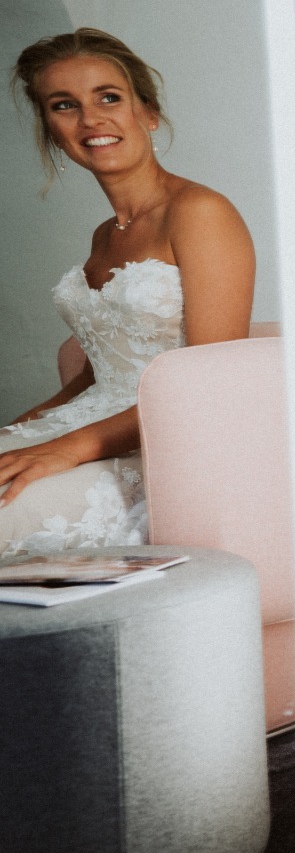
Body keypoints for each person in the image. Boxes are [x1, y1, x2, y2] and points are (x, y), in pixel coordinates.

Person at [0, 28, 254, 558]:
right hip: (91, 424)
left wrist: (66, 449)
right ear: (51, 130)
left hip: (161, 446)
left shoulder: (200, 213)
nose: (90, 119)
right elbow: (101, 374)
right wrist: (24, 427)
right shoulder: (105, 234)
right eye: (64, 105)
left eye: (108, 97)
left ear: (149, 112)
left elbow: (209, 386)